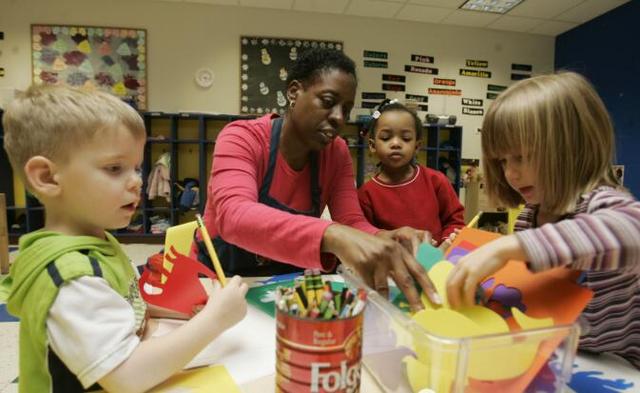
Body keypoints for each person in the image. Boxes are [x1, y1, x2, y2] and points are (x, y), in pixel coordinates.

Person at [1, 85, 249, 393]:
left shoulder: (95, 241)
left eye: (136, 168)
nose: (136, 181)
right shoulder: (71, 277)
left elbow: (122, 304)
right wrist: (214, 321)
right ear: (48, 177)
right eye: (114, 168)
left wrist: (183, 312)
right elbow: (125, 376)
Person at [197, 48, 439, 310]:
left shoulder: (336, 152)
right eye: (327, 101)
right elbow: (234, 217)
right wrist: (333, 234)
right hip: (219, 284)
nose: (338, 118)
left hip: (282, 285)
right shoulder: (241, 138)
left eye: (345, 109)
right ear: (294, 92)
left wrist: (384, 237)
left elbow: (352, 221)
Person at [446, 72, 640, 369]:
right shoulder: (530, 214)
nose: (511, 173)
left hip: (616, 365)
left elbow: (631, 230)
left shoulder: (602, 202)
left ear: (571, 147)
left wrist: (506, 247)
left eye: (522, 157)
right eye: (503, 161)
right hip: (556, 354)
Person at [358, 99, 465, 246]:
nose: (396, 143)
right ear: (372, 145)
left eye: (406, 138)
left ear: (417, 146)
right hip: (392, 266)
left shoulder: (436, 181)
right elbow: (366, 238)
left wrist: (447, 244)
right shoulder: (366, 194)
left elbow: (455, 221)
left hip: (438, 263)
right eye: (386, 137)